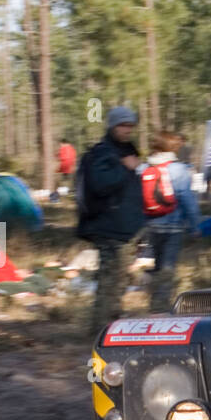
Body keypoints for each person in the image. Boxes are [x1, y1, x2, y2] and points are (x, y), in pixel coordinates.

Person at [76, 105, 145, 334]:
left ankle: (111, 328)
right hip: (109, 227)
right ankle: (100, 331)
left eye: (130, 125)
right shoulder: (104, 152)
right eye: (123, 125)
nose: (127, 130)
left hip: (125, 227)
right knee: (109, 282)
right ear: (113, 126)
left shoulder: (125, 150)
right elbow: (100, 184)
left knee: (119, 281)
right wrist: (125, 169)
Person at [140, 130, 201, 312]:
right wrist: (195, 226)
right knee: (167, 268)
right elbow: (187, 199)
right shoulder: (179, 169)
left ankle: (153, 300)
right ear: (173, 148)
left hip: (151, 225)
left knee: (158, 265)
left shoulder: (144, 168)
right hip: (173, 226)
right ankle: (160, 309)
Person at [53, 138, 76, 202]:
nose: (60, 145)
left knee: (60, 182)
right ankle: (70, 195)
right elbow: (73, 158)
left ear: (63, 143)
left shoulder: (63, 148)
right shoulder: (72, 149)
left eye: (60, 144)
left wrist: (56, 156)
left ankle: (58, 197)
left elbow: (62, 157)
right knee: (69, 183)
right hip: (71, 168)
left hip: (64, 168)